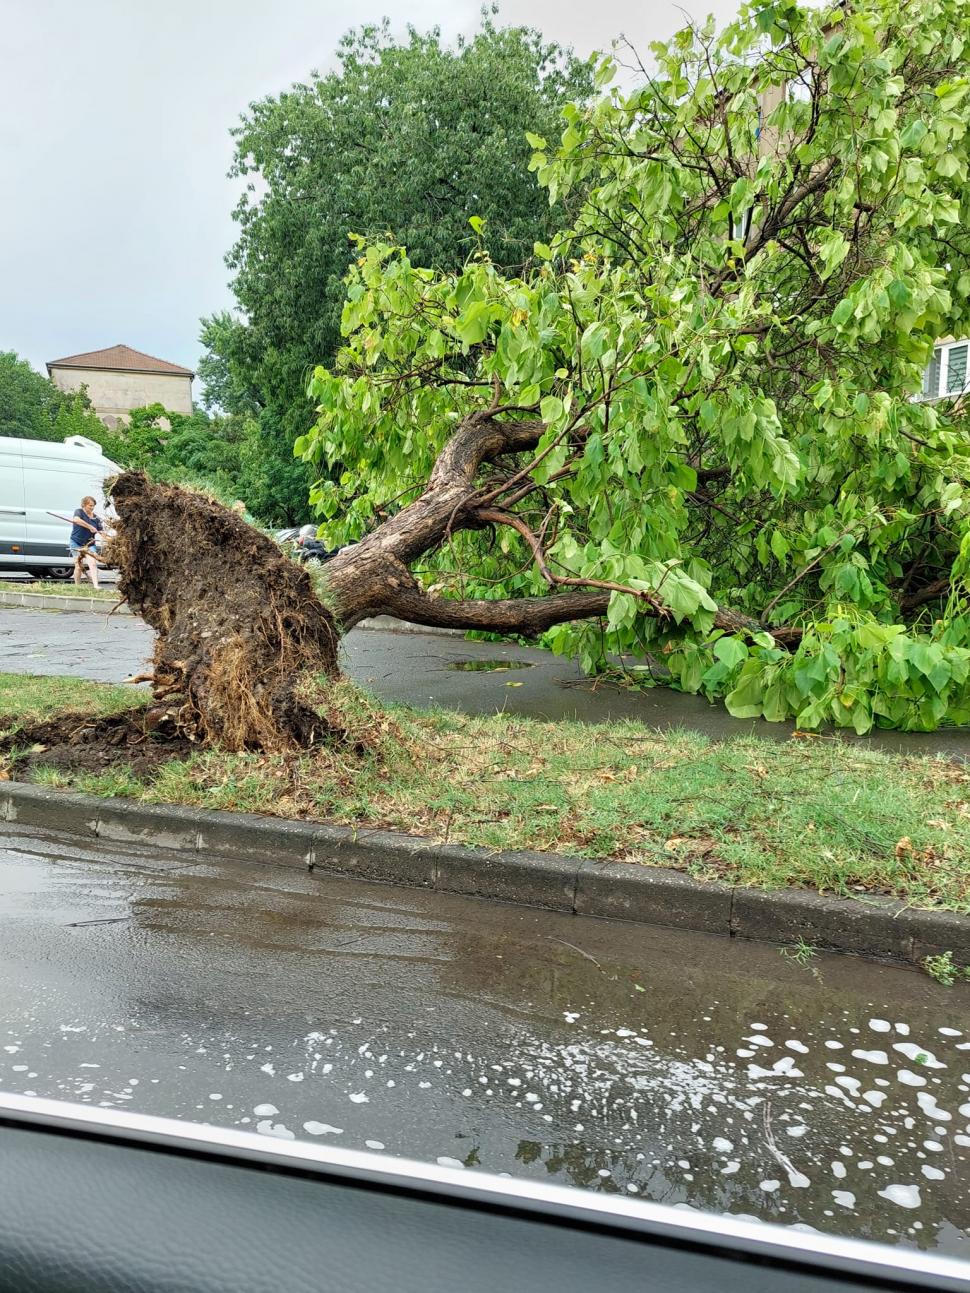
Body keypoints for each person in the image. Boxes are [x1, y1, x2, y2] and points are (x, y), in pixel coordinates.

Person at [69, 496, 103, 588]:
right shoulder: (79, 512)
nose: (92, 508)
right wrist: (90, 527)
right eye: (90, 506)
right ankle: (77, 587)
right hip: (76, 542)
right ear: (84, 505)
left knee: (92, 563)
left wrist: (106, 536)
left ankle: (96, 586)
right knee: (78, 566)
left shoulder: (96, 518)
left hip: (89, 544)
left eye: (93, 506)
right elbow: (76, 520)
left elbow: (101, 531)